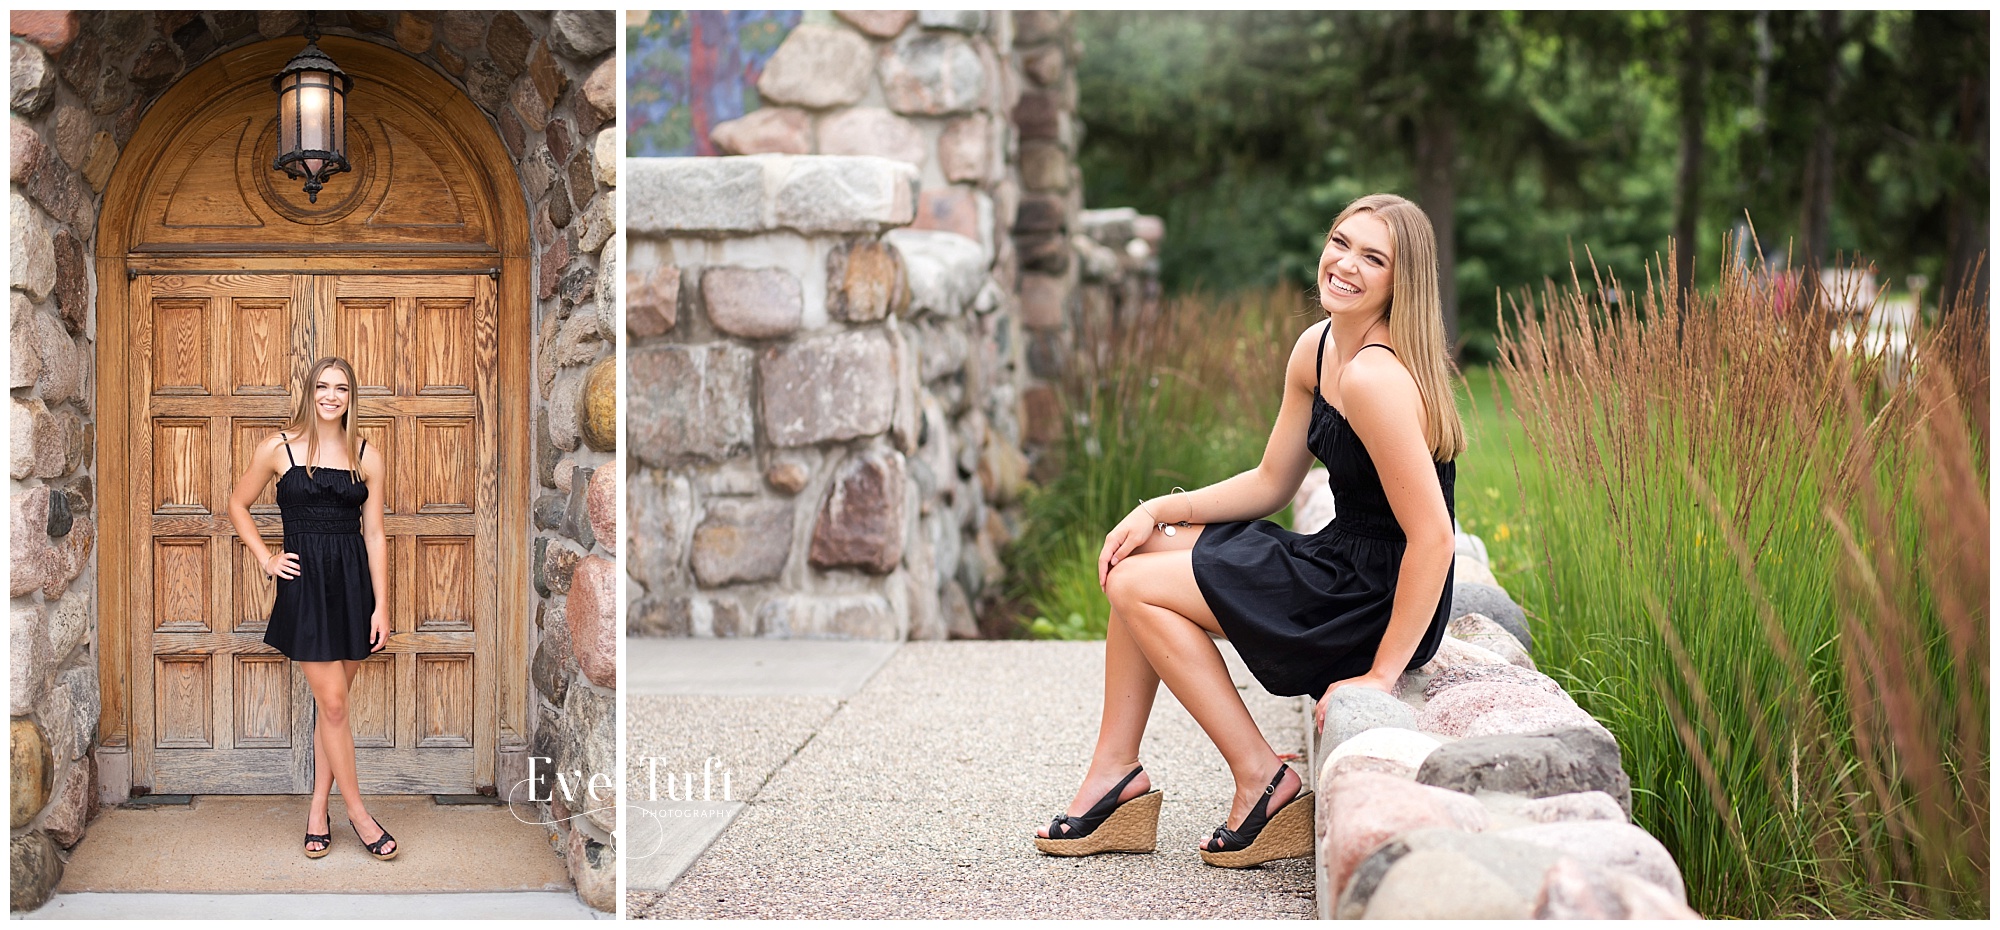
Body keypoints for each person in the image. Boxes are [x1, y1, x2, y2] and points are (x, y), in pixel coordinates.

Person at [1034, 193, 1464, 867]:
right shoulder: (1316, 348)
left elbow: (1433, 538)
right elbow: (1270, 482)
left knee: (1139, 586)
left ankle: (1262, 779)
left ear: (1398, 282)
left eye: (1372, 257)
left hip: (1375, 597)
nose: (1344, 264)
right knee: (1139, 553)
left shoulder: (1376, 375)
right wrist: (1156, 510)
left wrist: (1382, 675)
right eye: (1340, 242)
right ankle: (1114, 775)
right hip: (1338, 561)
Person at [227, 357, 399, 861]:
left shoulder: (367, 455)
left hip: (352, 590)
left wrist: (381, 605)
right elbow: (237, 504)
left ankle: (318, 810)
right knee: (336, 706)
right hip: (305, 589)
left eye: (340, 388)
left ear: (351, 396)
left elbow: (375, 533)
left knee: (333, 710)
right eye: (323, 386)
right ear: (310, 392)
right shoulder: (277, 448)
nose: (331, 395)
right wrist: (266, 558)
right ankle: (360, 815)